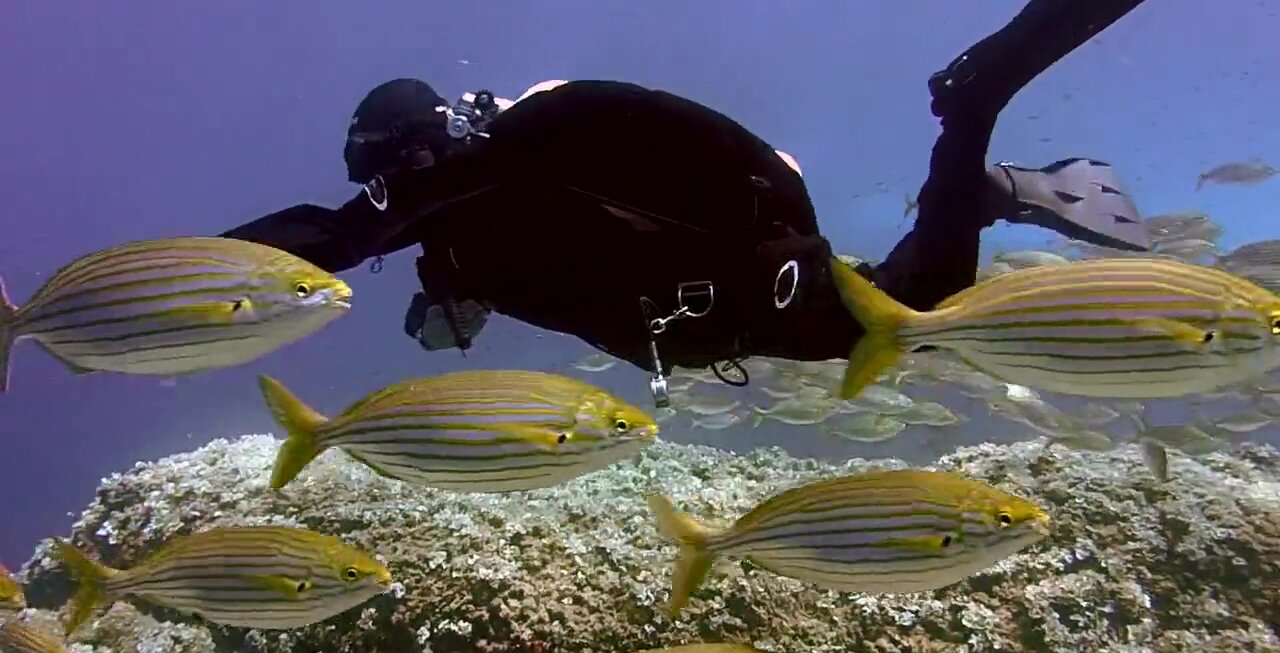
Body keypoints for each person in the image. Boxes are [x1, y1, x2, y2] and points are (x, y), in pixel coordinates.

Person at [222, 0, 1151, 407]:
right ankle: (984, 190)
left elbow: (336, 239)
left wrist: (179, 278)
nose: (396, 211)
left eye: (387, 185)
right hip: (721, 309)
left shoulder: (494, 167)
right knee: (922, 312)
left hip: (743, 269)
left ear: (411, 160)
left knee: (916, 317)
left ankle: (974, 104)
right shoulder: (474, 235)